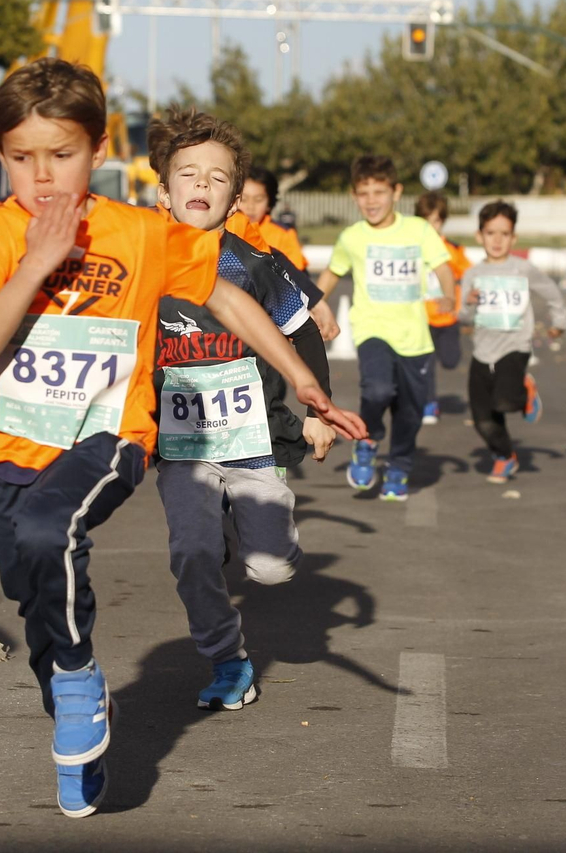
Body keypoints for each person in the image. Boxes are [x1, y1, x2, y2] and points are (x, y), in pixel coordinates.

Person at [0, 58, 363, 817]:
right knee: (34, 589)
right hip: (6, 448)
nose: (43, 174)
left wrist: (303, 381)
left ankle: (81, 682)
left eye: (62, 154)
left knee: (53, 529)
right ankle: (73, 694)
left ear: (99, 151)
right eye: (22, 157)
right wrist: (37, 261)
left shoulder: (139, 233)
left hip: (112, 433)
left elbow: (226, 298)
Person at [148, 107, 337, 712]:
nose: (201, 184)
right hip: (182, 446)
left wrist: (317, 412)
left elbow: (302, 331)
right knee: (192, 553)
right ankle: (227, 660)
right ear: (163, 192)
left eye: (217, 176)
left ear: (234, 201)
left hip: (253, 439)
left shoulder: (250, 263)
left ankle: (249, 521)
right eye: (188, 173)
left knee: (271, 569)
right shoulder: (143, 264)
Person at [316, 156, 455, 502]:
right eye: (363, 193)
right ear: (353, 196)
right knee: (377, 390)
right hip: (372, 330)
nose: (371, 200)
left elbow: (442, 266)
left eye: (379, 192)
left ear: (396, 192)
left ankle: (399, 468)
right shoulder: (352, 237)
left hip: (414, 338)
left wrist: (450, 295)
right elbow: (332, 273)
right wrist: (312, 309)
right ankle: (368, 440)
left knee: (410, 412)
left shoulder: (418, 230)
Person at [459, 201, 566, 481]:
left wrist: (559, 321)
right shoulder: (472, 275)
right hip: (482, 352)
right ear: (479, 236)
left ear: (514, 238)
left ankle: (524, 390)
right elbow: (462, 317)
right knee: (483, 420)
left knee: (505, 401)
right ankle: (505, 456)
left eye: (504, 234)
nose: (497, 240)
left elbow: (551, 291)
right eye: (490, 233)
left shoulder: (522, 269)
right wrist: (468, 303)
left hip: (514, 346)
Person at [414, 191, 470, 425]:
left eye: (436, 221)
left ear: (443, 221)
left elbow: (468, 276)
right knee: (425, 365)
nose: (431, 227)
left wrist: (463, 303)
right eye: (426, 221)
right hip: (421, 318)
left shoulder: (453, 250)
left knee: (450, 360)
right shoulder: (412, 249)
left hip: (447, 318)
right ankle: (429, 404)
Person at [236, 167, 308, 271]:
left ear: (269, 203)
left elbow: (296, 273)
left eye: (258, 200)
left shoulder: (283, 234)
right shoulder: (223, 229)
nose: (250, 207)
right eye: (244, 199)